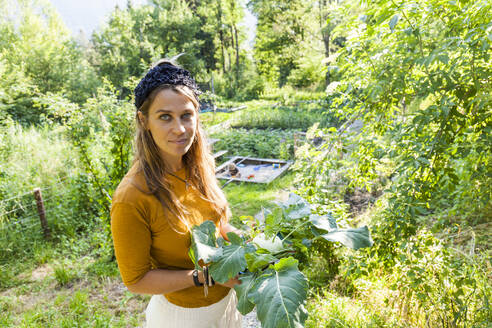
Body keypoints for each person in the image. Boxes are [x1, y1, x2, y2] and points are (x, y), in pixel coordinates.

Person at [110, 59, 243, 328]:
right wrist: (206, 276)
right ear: (144, 120)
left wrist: (244, 242)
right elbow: (136, 281)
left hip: (228, 307)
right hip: (184, 318)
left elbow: (218, 223)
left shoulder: (197, 165)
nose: (180, 129)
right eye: (165, 117)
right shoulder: (132, 196)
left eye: (186, 115)